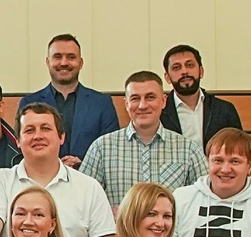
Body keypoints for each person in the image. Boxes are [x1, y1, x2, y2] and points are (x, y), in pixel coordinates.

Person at [0, 101, 118, 237]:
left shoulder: (89, 188)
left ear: (61, 137)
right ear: (18, 141)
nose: (38, 136)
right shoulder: (0, 182)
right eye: (29, 130)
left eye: (45, 128)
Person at [81, 70, 205, 213]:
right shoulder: (102, 148)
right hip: (118, 235)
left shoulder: (188, 150)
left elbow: (204, 199)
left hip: (174, 235)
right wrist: (107, 214)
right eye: (135, 98)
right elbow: (83, 200)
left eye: (150, 97)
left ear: (164, 101)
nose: (142, 105)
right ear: (126, 104)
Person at [26, 32, 118, 163]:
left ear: (80, 63)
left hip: (90, 179)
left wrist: (84, 164)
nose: (64, 63)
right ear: (48, 62)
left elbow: (111, 150)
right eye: (57, 57)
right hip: (43, 181)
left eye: (71, 57)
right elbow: (25, 148)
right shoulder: (29, 103)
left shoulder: (102, 104)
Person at [158, 44, 244, 156]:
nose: (184, 71)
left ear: (201, 71)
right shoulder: (159, 112)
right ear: (167, 77)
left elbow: (239, 151)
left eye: (190, 65)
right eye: (176, 67)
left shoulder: (224, 110)